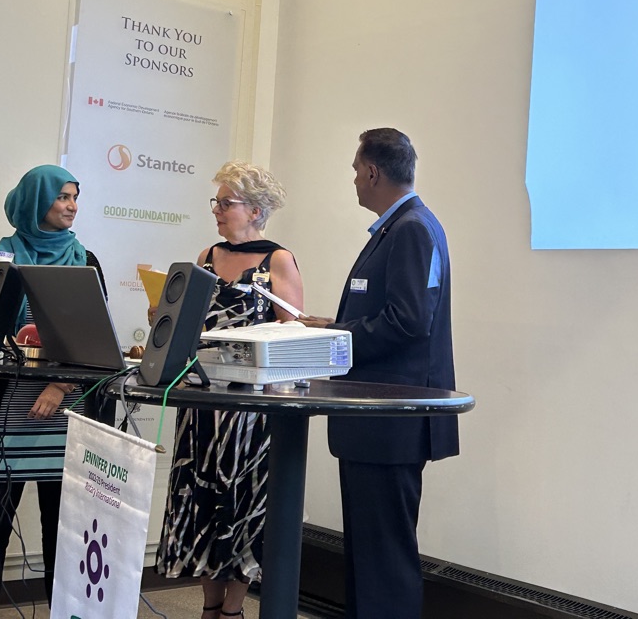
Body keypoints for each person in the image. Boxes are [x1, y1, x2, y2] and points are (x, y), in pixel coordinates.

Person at [299, 128, 458, 619]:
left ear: (372, 172)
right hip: (377, 425)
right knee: (370, 557)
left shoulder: (411, 228)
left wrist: (335, 337)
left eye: (355, 170)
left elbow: (408, 322)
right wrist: (334, 326)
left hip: (389, 423)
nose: (353, 179)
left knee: (384, 560)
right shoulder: (402, 227)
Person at [155, 161, 303, 619]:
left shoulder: (278, 260)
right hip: (201, 403)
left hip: (249, 411)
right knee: (200, 502)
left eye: (226, 203)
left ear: (256, 210)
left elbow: (293, 334)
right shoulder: (206, 256)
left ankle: (233, 610)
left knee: (242, 505)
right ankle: (209, 606)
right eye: (216, 202)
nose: (216, 210)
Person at [0, 165, 106, 619]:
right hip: (4, 408)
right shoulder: (0, 257)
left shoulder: (86, 260)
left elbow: (95, 339)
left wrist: (58, 386)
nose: (72, 206)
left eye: (75, 197)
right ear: (35, 201)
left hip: (67, 412)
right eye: (62, 197)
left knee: (64, 529)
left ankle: (62, 612)